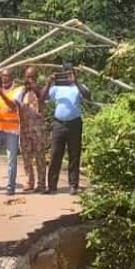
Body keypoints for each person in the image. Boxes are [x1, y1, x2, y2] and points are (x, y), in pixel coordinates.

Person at [42, 63, 90, 195]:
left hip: (74, 123)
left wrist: (76, 82)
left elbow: (87, 96)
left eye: (70, 72)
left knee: (74, 154)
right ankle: (52, 186)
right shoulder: (57, 87)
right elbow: (43, 97)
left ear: (74, 74)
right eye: (65, 73)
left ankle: (73, 185)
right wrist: (48, 83)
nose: (67, 75)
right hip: (59, 124)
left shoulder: (78, 87)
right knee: (55, 154)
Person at [0, 69, 23, 195]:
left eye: (6, 76)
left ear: (12, 77)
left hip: (11, 130)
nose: (4, 78)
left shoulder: (17, 90)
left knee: (11, 160)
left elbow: (13, 106)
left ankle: (10, 188)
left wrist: (1, 94)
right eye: (2, 76)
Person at [17, 67, 48, 193]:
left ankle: (41, 183)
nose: (29, 80)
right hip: (25, 129)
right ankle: (30, 181)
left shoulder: (41, 91)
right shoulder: (22, 91)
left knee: (40, 157)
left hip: (38, 129)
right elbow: (16, 104)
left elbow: (42, 102)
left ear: (36, 78)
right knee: (26, 157)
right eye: (27, 77)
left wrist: (36, 90)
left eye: (32, 77)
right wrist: (24, 91)